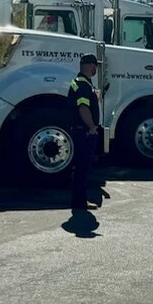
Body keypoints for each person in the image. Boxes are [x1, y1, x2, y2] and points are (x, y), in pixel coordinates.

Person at [68, 54, 101, 211]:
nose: (96, 69)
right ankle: (80, 202)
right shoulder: (83, 85)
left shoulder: (79, 82)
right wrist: (92, 127)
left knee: (79, 168)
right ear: (90, 66)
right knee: (82, 168)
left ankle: (79, 200)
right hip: (84, 132)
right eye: (95, 66)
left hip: (79, 131)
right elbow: (83, 107)